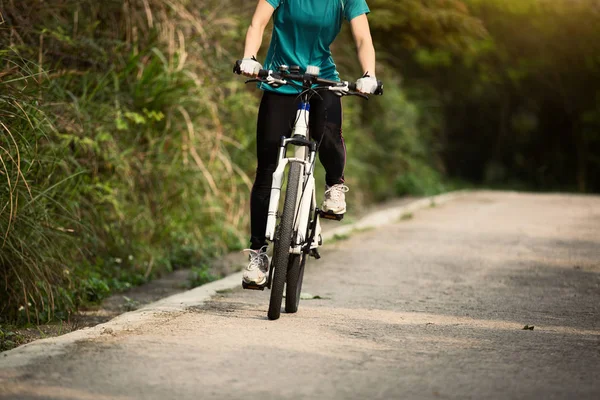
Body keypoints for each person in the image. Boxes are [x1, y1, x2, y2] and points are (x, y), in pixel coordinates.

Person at [237, 0, 380, 285]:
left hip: (322, 78)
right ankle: (258, 254)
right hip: (280, 79)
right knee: (266, 168)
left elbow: (363, 38)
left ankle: (335, 186)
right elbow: (257, 23)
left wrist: (369, 75)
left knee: (328, 133)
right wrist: (250, 57)